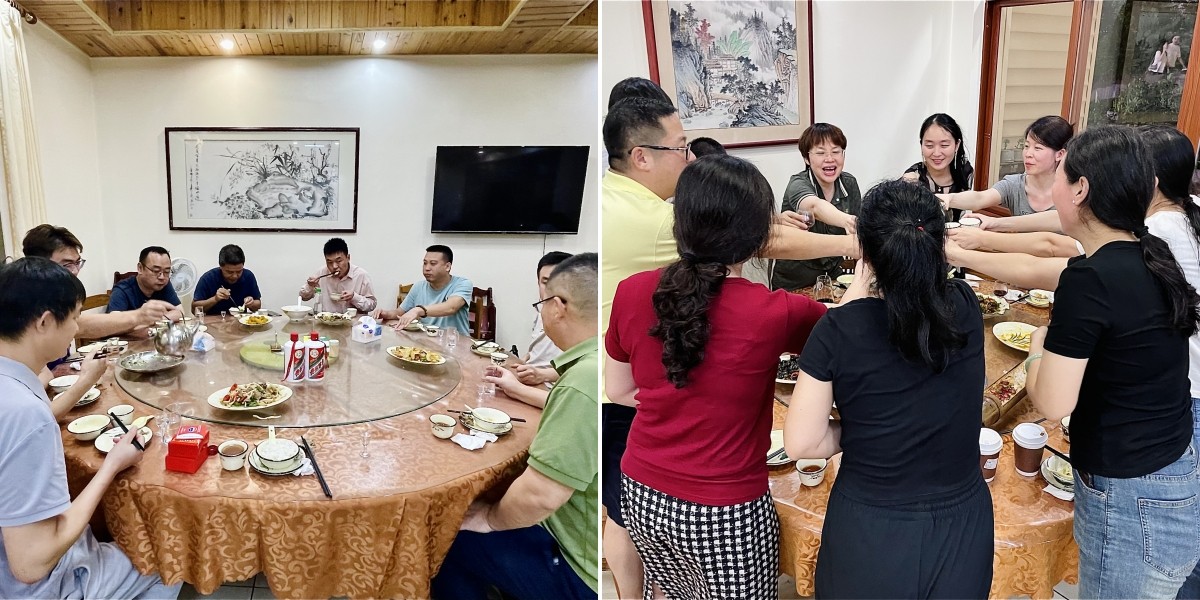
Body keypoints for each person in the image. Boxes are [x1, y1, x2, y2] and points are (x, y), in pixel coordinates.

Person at [600, 95, 856, 597]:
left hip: (642, 491)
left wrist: (679, 402)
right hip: (725, 509)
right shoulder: (774, 310)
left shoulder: (632, 291)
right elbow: (848, 332)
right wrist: (864, 272)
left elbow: (621, 390)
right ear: (758, 234)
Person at [785, 179, 992, 597]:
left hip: (872, 527)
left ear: (865, 252)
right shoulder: (965, 305)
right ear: (939, 244)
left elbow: (801, 442)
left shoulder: (838, 329)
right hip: (962, 524)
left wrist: (862, 432)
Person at [1025, 125, 1200, 598]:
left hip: (1132, 501)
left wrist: (1038, 343)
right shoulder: (1151, 253)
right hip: (1170, 482)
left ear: (1080, 188)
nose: (1053, 188)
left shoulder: (1092, 277)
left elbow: (1053, 403)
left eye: (1060, 175)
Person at [0, 257, 181, 599]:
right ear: (44, 322)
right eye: (74, 319)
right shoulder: (27, 414)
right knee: (171, 557)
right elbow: (30, 565)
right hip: (42, 586)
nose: (77, 330)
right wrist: (112, 465)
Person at [431, 253, 599, 600]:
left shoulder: (583, 380)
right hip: (581, 537)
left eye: (542, 303)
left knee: (448, 537)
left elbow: (541, 494)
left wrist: (489, 519)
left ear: (558, 307)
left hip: (577, 567)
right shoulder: (606, 358)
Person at [22, 225, 175, 339]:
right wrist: (139, 316)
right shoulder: (25, 297)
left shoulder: (64, 292)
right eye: (67, 264)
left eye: (77, 263)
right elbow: (77, 326)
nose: (75, 271)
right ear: (39, 264)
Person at [771, 122, 862, 290]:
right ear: (807, 158)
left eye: (836, 151)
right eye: (820, 153)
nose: (830, 159)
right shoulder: (798, 183)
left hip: (834, 276)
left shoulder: (849, 183)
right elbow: (814, 206)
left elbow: (858, 234)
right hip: (796, 278)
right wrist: (848, 221)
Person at [483, 252, 572, 409]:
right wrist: (521, 362)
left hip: (554, 392)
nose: (551, 290)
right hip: (530, 379)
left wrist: (542, 375)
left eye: (560, 283)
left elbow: (582, 367)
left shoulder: (581, 320)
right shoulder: (541, 309)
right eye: (545, 282)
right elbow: (538, 349)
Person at [375, 245, 472, 333]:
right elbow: (399, 312)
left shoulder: (462, 284)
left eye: (433, 263)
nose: (427, 268)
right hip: (425, 340)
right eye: (425, 263)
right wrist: (386, 314)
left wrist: (418, 310)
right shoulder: (418, 286)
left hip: (455, 341)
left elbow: (451, 307)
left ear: (447, 266)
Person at [902, 113, 974, 221]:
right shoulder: (912, 177)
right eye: (929, 146)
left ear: (957, 145)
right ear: (921, 145)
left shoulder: (965, 171)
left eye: (944, 145)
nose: (936, 153)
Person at [298, 237, 377, 314]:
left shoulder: (361, 275)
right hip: (326, 320)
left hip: (354, 322)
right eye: (329, 262)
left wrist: (354, 297)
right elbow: (303, 297)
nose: (334, 266)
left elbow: (372, 305)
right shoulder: (321, 273)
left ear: (348, 258)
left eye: (339, 261)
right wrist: (310, 286)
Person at [106, 246, 183, 318]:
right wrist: (142, 318)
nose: (162, 277)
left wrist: (158, 320)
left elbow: (180, 312)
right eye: (156, 271)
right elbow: (114, 320)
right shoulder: (122, 289)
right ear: (140, 268)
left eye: (167, 271)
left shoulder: (164, 284)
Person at [191, 244, 262, 315]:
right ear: (220, 267)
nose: (234, 276)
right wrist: (215, 299)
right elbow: (194, 310)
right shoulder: (208, 278)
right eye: (230, 272)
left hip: (240, 320)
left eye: (239, 271)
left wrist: (252, 303)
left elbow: (258, 305)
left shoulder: (248, 276)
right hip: (214, 320)